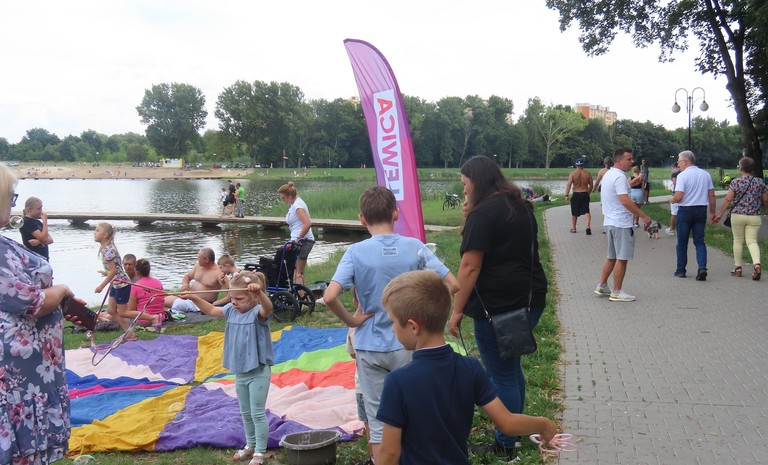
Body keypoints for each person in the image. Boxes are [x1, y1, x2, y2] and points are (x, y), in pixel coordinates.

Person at [323, 185, 459, 463]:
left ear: (362, 218)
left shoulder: (355, 252)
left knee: (376, 417)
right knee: (415, 409)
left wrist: (352, 320)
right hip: (409, 344)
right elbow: (452, 284)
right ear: (396, 213)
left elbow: (329, 297)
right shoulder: (415, 247)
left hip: (369, 346)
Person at [378, 271, 558, 465]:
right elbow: (507, 423)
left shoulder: (397, 382)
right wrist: (544, 424)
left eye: (393, 322)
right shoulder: (470, 367)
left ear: (413, 326)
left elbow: (389, 454)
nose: (392, 328)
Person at [448, 155, 546, 460]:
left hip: (499, 307)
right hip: (530, 298)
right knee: (511, 368)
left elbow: (470, 266)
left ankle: (506, 443)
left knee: (501, 374)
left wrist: (457, 310)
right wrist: (469, 217)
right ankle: (514, 430)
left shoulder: (484, 213)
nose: (464, 190)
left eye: (465, 184)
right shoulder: (519, 205)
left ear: (476, 181)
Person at [0, 164, 82, 465]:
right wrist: (59, 291)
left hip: (30, 373)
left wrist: (59, 304)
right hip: (16, 376)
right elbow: (30, 301)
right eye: (10, 196)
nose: (12, 203)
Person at [179, 271, 274, 465]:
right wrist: (193, 297)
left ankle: (260, 452)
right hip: (241, 372)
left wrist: (261, 293)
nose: (234, 302)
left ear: (254, 297)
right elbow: (211, 310)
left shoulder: (258, 313)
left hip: (258, 372)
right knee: (245, 413)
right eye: (232, 297)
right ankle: (250, 445)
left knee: (257, 412)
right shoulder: (231, 310)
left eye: (239, 299)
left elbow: (268, 308)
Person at [594, 148, 652, 302]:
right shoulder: (619, 177)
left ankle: (602, 285)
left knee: (611, 257)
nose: (632, 162)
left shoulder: (609, 174)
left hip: (610, 222)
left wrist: (631, 184)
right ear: (619, 161)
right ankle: (617, 292)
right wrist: (643, 216)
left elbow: (615, 192)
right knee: (622, 258)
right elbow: (625, 201)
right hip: (621, 223)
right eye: (629, 159)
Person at [714, 157, 768, 280]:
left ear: (741, 169)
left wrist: (720, 214)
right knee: (752, 241)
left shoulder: (736, 182)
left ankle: (738, 268)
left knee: (738, 241)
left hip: (737, 215)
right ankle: (757, 264)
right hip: (754, 216)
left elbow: (728, 199)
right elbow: (765, 199)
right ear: (752, 168)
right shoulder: (760, 182)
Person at [670, 150, 716, 281]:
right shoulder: (705, 174)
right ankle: (702, 268)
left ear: (685, 161)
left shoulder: (682, 176)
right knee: (699, 241)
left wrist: (672, 199)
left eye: (679, 161)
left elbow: (679, 196)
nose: (678, 164)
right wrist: (712, 212)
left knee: (682, 242)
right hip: (701, 210)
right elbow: (711, 195)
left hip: (685, 211)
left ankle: (681, 270)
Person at [94, 222, 136, 339]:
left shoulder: (108, 250)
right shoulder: (106, 248)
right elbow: (114, 269)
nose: (94, 233)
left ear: (105, 235)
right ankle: (129, 333)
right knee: (111, 310)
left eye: (97, 230)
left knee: (123, 312)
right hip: (115, 284)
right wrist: (106, 272)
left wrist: (101, 286)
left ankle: (153, 317)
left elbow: (113, 271)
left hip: (122, 284)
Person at [278, 181, 315, 286]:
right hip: (300, 241)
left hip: (303, 241)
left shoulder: (298, 206)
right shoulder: (295, 204)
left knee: (297, 272)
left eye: (283, 198)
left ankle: (300, 295)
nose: (282, 200)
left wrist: (297, 240)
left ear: (289, 196)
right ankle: (303, 293)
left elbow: (307, 223)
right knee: (298, 271)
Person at [165, 247, 224, 312]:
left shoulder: (219, 272)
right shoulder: (198, 266)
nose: (197, 259)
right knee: (163, 299)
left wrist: (217, 303)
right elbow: (187, 277)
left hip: (202, 304)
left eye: (199, 258)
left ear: (206, 260)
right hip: (190, 298)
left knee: (165, 301)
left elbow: (230, 290)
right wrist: (185, 284)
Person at [128, 258, 165, 330]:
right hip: (161, 317)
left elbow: (132, 309)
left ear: (137, 272)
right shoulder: (158, 282)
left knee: (120, 314)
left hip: (143, 321)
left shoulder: (135, 286)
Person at [564, 158, 593, 234]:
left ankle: (574, 228)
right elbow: (591, 186)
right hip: (585, 193)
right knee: (586, 211)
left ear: (576, 165)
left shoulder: (573, 174)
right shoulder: (588, 174)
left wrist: (566, 195)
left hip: (576, 194)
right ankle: (588, 226)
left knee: (574, 212)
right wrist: (588, 193)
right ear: (583, 165)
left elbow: (569, 185)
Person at [19, 195, 54, 260]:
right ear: (29, 210)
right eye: (39, 208)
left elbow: (50, 240)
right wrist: (45, 221)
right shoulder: (26, 222)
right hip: (34, 258)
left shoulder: (37, 222)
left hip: (44, 258)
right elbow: (43, 238)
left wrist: (39, 242)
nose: (41, 211)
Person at [665, 162, 681, 236]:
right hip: (682, 195)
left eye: (672, 169)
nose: (671, 170)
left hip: (675, 195)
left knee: (674, 213)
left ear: (675, 168)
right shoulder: (683, 173)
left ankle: (671, 229)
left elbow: (675, 183)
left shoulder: (674, 174)